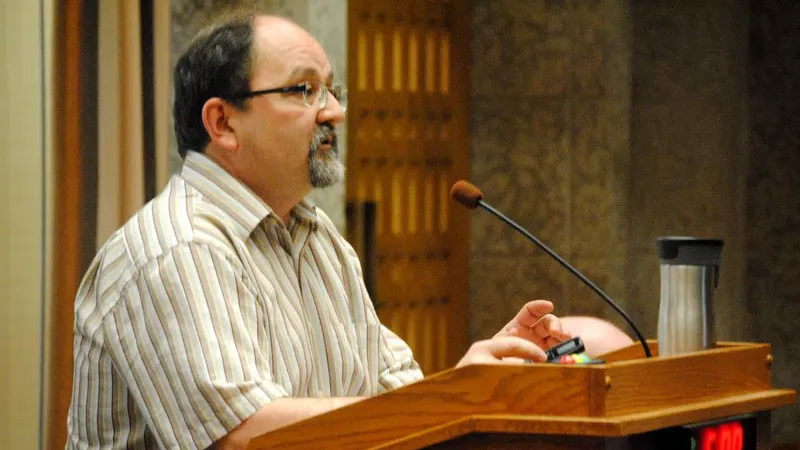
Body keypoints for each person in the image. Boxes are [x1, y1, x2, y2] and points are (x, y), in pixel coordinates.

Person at [66, 14, 570, 450]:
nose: (335, 112)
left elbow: (393, 397)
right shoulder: (177, 247)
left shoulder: (317, 237)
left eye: (331, 90)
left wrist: (469, 382)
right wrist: (451, 398)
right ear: (223, 123)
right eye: (304, 90)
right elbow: (244, 436)